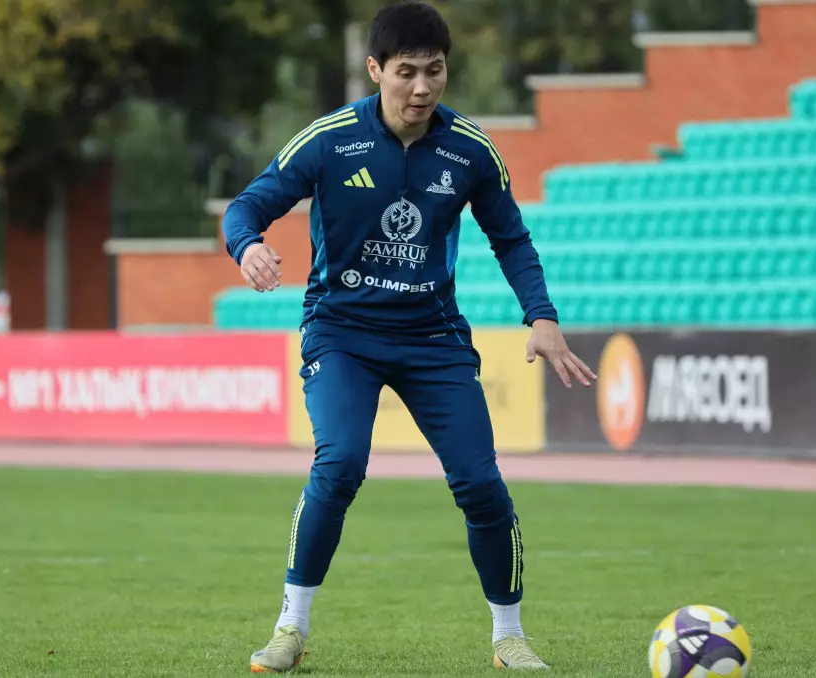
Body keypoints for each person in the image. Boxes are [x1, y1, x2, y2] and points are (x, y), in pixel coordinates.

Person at [221, 1, 597, 671]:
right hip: (343, 333)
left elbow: (511, 238)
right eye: (406, 72)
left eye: (435, 71)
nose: (422, 87)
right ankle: (290, 628)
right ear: (375, 70)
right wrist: (248, 245)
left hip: (433, 338)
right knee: (340, 464)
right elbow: (248, 205)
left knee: (480, 483)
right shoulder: (330, 140)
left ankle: (509, 637)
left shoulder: (470, 149)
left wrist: (541, 317)